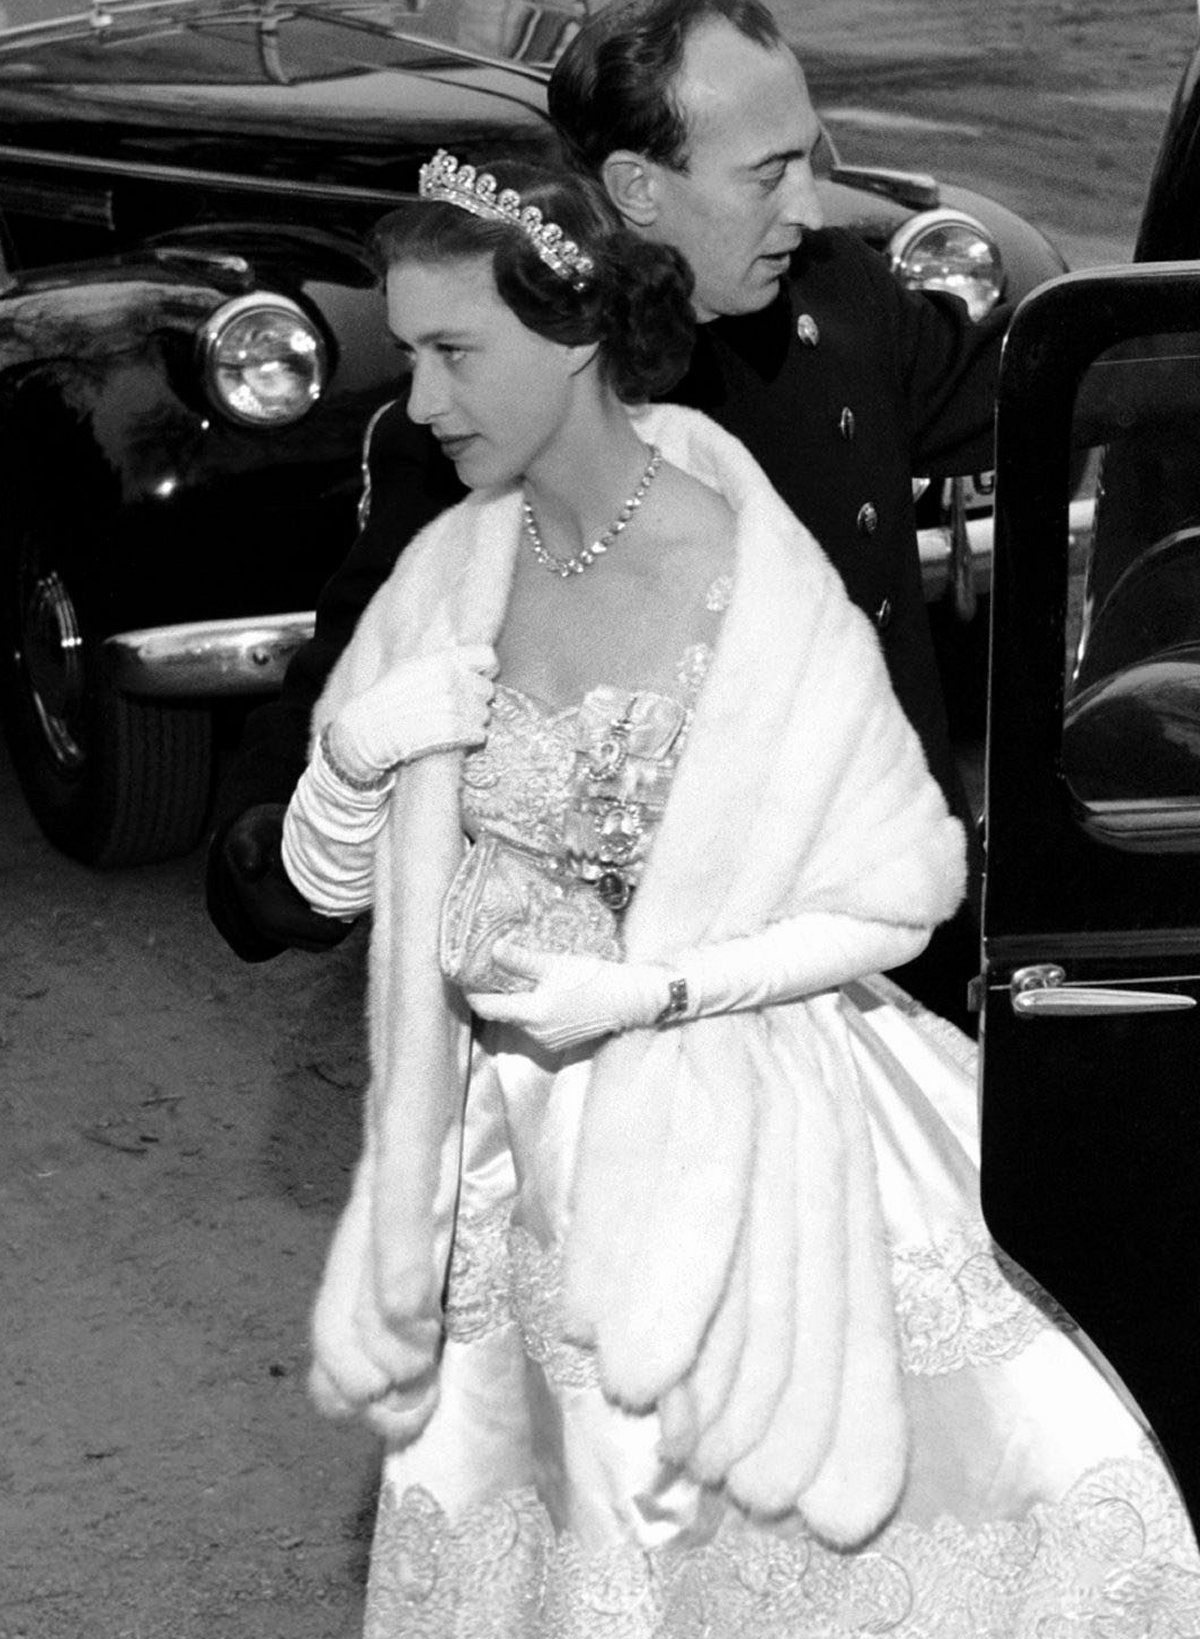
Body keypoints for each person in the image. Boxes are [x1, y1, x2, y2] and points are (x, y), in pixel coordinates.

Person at [284, 152, 1199, 1636]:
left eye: (457, 353)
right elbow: (323, 887)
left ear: (573, 337)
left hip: (746, 1131)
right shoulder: (448, 559)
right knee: (562, 1547)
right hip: (505, 1171)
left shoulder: (743, 567)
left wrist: (647, 992)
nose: (425, 400)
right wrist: (353, 756)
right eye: (413, 356)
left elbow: (898, 891)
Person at [207, 0, 1000, 1030]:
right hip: (654, 1022)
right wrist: (271, 841)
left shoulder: (842, 299)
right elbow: (367, 655)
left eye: (812, 158)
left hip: (891, 955)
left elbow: (1029, 389)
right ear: (636, 188)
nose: (809, 206)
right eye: (768, 175)